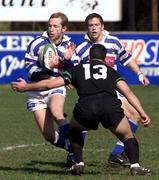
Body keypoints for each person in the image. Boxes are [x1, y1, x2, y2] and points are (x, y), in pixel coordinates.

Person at [11, 44, 151, 176]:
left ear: (89, 57)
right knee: (127, 136)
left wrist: (25, 88)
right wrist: (142, 113)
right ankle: (135, 166)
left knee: (74, 130)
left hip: (86, 108)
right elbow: (128, 93)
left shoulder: (77, 69)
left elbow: (50, 83)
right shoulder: (112, 71)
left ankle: (78, 163)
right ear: (105, 60)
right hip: (110, 108)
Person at [69, 13, 150, 167]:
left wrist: (139, 74)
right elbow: (75, 70)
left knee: (135, 115)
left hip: (113, 88)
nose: (93, 28)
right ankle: (74, 155)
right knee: (84, 121)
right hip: (92, 91)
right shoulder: (81, 48)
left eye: (96, 25)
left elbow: (126, 59)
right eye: (90, 25)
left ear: (102, 26)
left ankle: (117, 153)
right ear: (87, 28)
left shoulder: (114, 42)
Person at [23, 12, 77, 164]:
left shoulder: (70, 46)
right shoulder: (36, 44)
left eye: (55, 26)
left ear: (64, 28)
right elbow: (32, 74)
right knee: (49, 135)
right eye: (50, 26)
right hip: (36, 90)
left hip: (55, 86)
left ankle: (74, 152)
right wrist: (48, 67)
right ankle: (72, 147)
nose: (51, 29)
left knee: (56, 112)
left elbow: (74, 71)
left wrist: (66, 61)